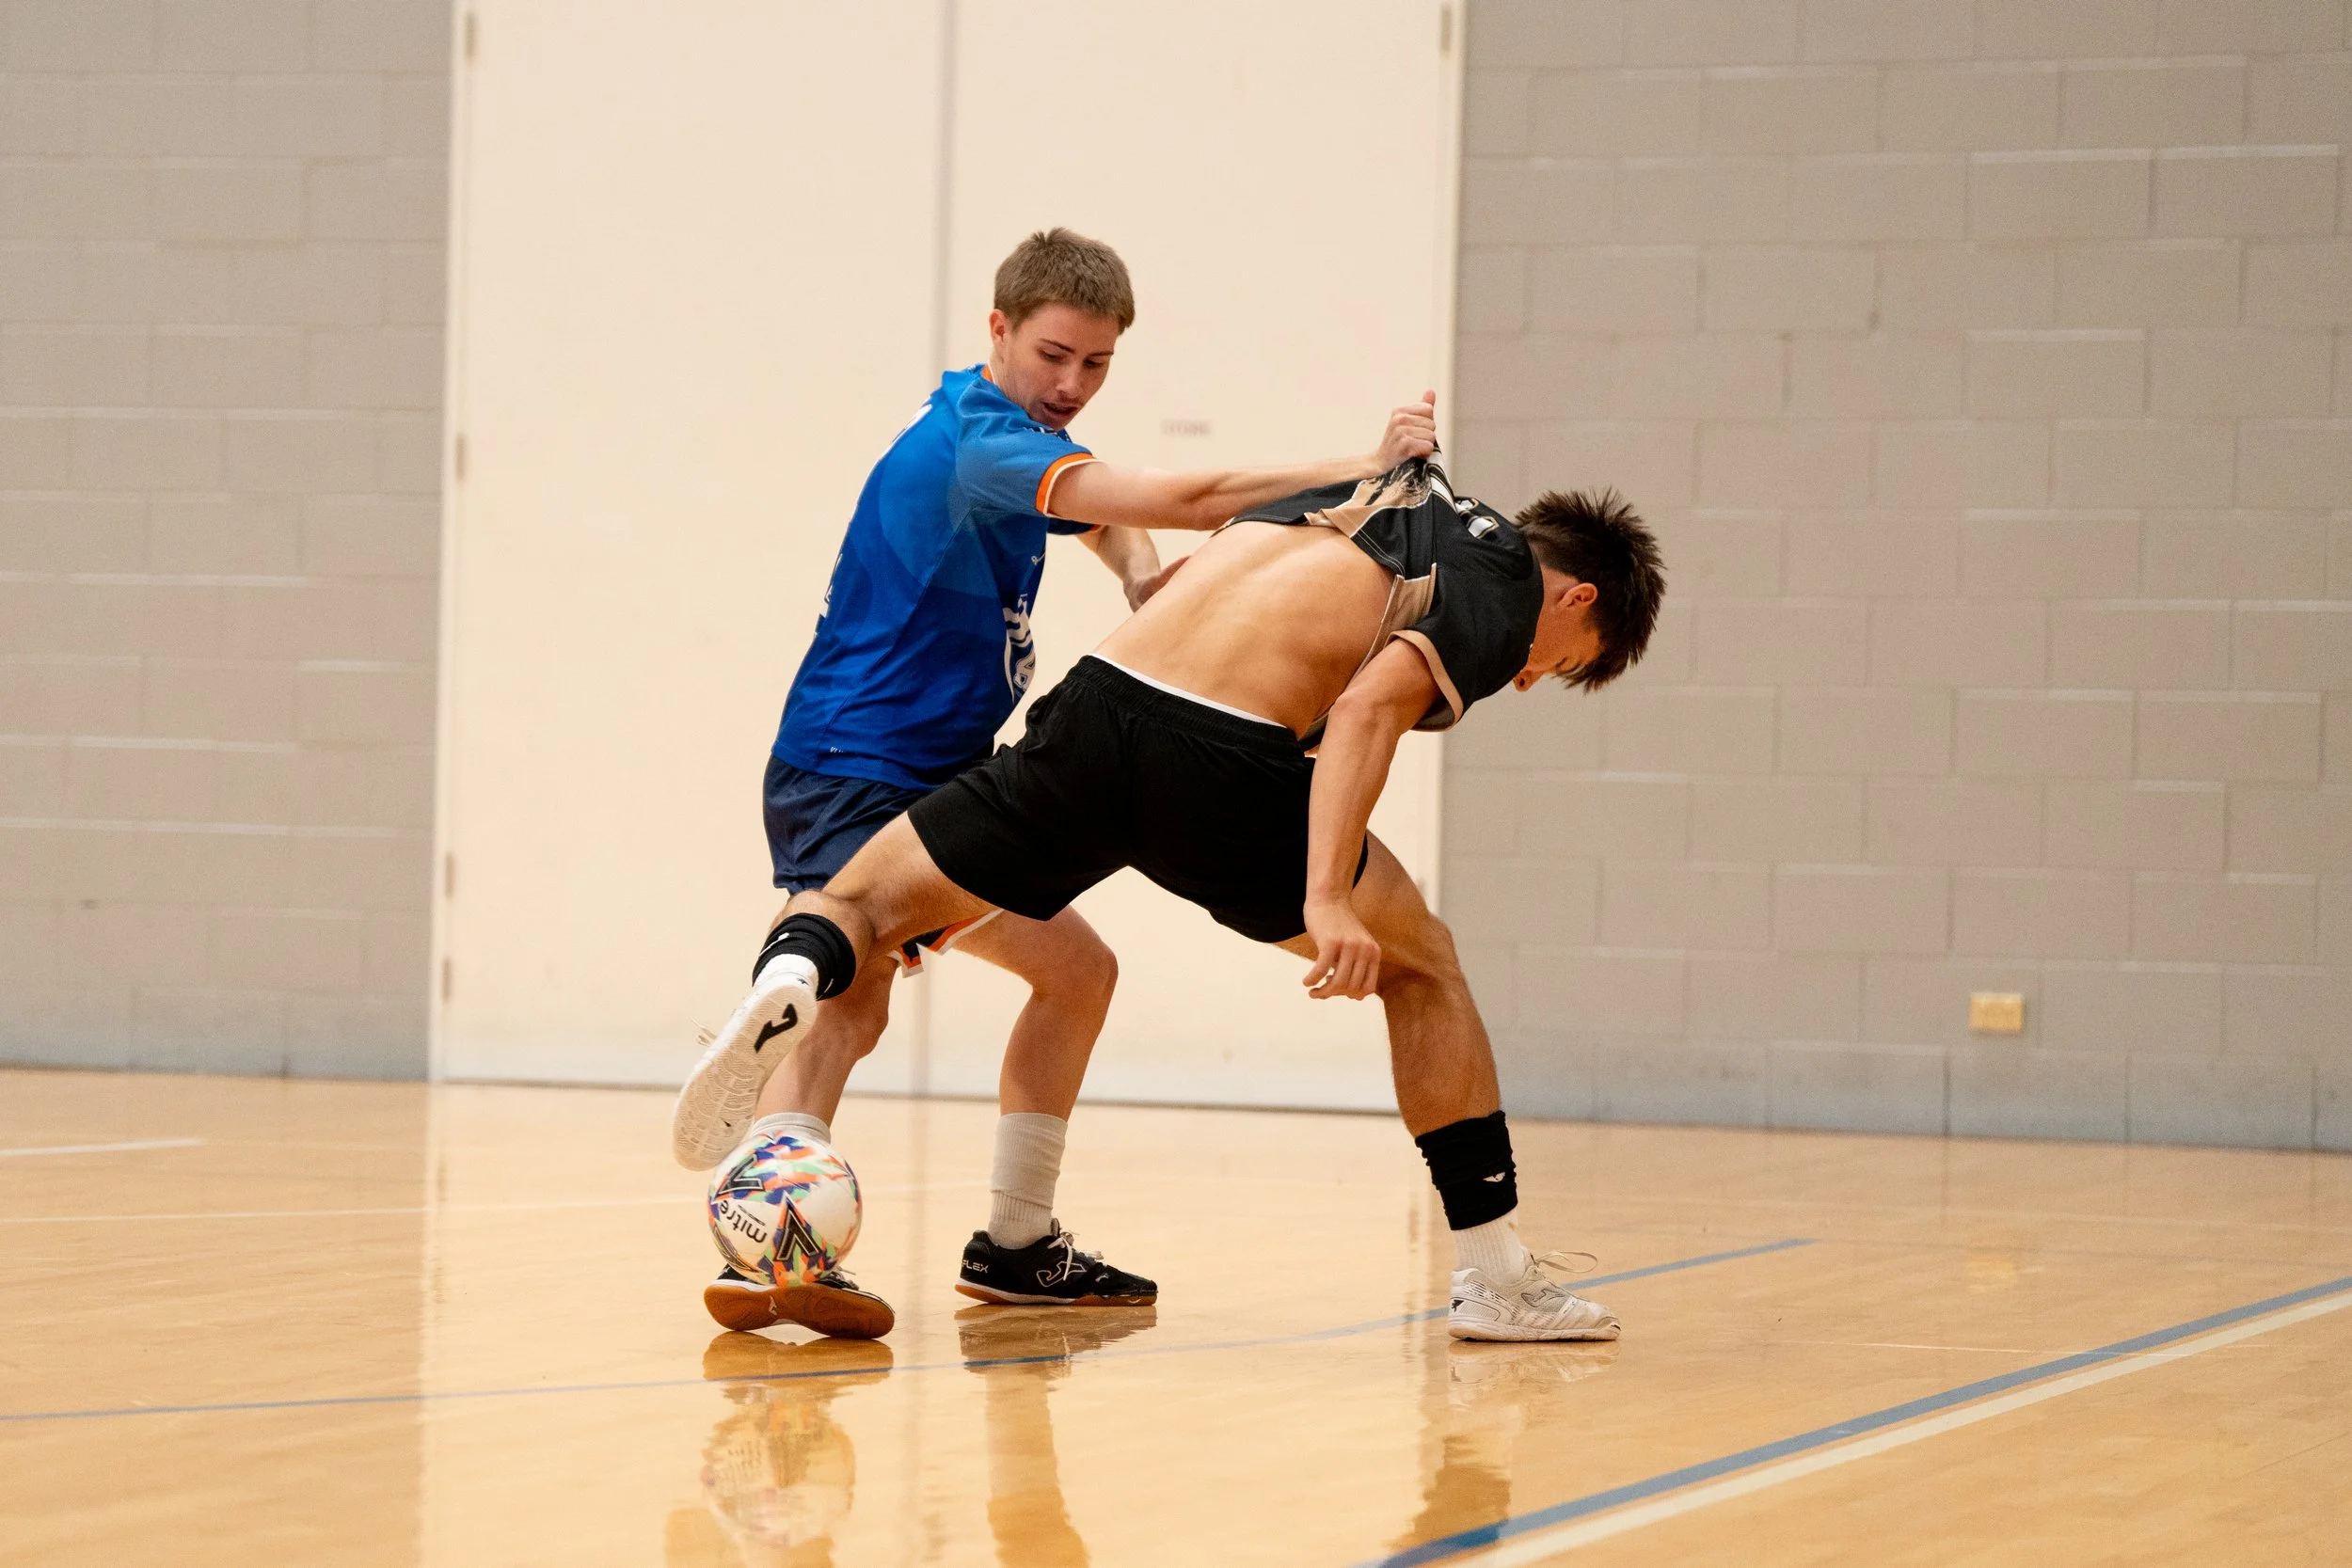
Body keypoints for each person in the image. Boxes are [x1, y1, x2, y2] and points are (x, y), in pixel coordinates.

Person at [694, 453, 1665, 1341]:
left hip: (1095, 710)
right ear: (1576, 595)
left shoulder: (1368, 495)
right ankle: (1496, 1278)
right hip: (1218, 759)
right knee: (1423, 966)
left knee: (861, 906)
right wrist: (1326, 895)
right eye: (1567, 659)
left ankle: (787, 972)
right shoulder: (1501, 584)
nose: (1535, 678)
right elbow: (1371, 705)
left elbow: (1214, 539)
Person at [675, 226, 1440, 1340]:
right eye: (1052, 356)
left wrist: (1136, 577)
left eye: (1095, 365)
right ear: (997, 328)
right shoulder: (980, 443)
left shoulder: (996, 434)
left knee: (1073, 971)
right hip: (859, 763)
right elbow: (1195, 490)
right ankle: (779, 1233)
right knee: (855, 1001)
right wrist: (1359, 474)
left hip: (916, 770)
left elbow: (1095, 516)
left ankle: (1011, 1244)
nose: (1071, 384)